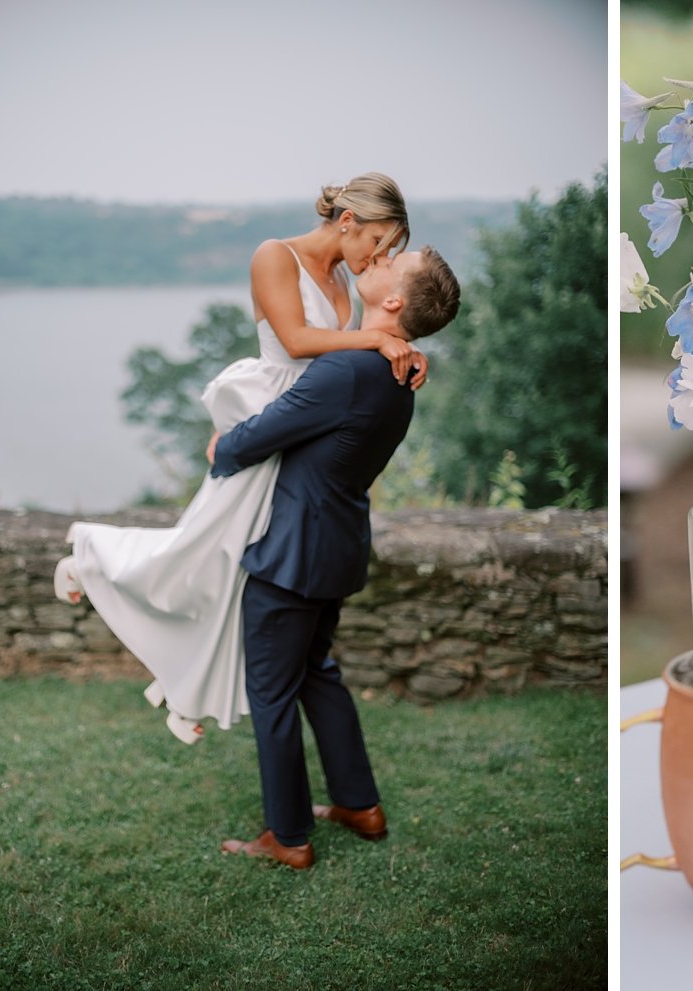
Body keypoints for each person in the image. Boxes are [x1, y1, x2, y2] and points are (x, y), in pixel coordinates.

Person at [54, 173, 427, 744]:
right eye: (378, 242)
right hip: (271, 408)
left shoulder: (344, 285)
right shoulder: (274, 256)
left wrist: (401, 347)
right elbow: (299, 342)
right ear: (348, 223)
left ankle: (185, 693)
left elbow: (337, 364)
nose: (379, 257)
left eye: (391, 251)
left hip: (301, 424)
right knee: (200, 541)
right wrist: (379, 341)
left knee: (230, 564)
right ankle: (91, 558)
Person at [213, 245, 461, 868]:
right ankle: (359, 804)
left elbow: (261, 434)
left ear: (395, 301)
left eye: (389, 263)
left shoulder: (346, 370)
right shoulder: (396, 372)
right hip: (337, 545)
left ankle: (288, 837)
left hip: (291, 552)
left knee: (271, 691)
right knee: (318, 673)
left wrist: (222, 444)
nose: (375, 261)